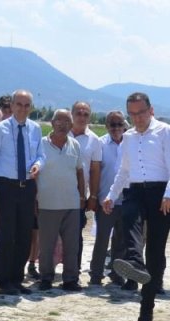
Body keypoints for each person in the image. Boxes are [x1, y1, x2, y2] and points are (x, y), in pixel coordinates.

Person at [103, 92, 170, 321]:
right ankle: (135, 263)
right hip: (135, 191)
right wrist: (111, 195)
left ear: (151, 110)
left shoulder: (165, 132)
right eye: (132, 114)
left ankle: (146, 307)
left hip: (160, 193)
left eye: (141, 113)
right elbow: (124, 171)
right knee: (129, 221)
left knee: (156, 251)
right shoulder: (128, 137)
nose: (137, 118)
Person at [0, 89, 44, 296]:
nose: (23, 109)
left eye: (27, 105)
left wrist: (38, 165)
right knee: (8, 234)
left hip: (27, 186)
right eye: (19, 104)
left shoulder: (35, 129)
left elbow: (41, 156)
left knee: (25, 234)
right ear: (12, 106)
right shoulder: (0, 129)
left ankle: (17, 279)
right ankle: (3, 280)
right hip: (6, 185)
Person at [35, 109, 86, 292]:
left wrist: (82, 196)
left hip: (71, 203)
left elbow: (79, 172)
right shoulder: (40, 144)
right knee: (46, 245)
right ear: (52, 122)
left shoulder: (75, 145)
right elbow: (34, 173)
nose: (62, 124)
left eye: (67, 121)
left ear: (71, 125)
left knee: (72, 244)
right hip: (47, 203)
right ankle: (46, 278)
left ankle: (71, 279)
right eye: (59, 120)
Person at [90, 110, 127, 288]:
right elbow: (95, 172)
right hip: (106, 201)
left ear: (125, 125)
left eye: (119, 124)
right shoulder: (100, 143)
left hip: (126, 201)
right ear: (107, 126)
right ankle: (96, 274)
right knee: (102, 240)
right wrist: (95, 196)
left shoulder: (130, 143)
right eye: (112, 124)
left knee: (121, 241)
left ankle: (117, 273)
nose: (116, 128)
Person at [68, 101, 103, 276]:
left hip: (79, 196)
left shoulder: (94, 140)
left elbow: (95, 169)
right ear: (71, 114)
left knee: (76, 233)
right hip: (55, 192)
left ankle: (74, 269)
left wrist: (93, 196)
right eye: (78, 113)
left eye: (86, 114)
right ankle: (48, 269)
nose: (82, 117)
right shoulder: (59, 135)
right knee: (51, 233)